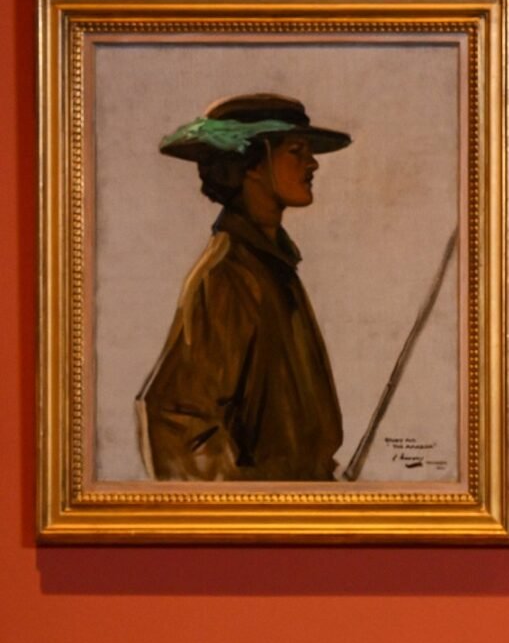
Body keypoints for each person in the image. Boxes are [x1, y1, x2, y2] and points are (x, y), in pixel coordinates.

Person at [137, 92, 350, 481]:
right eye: (297, 150)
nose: (313, 162)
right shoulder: (229, 276)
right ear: (253, 164)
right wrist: (245, 515)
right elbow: (177, 422)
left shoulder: (274, 268)